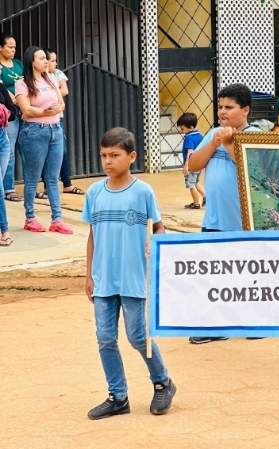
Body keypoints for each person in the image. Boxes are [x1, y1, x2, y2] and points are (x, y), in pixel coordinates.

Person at [83, 127, 176, 420]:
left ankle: (163, 382)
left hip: (134, 277)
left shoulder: (143, 191)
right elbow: (92, 235)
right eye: (103, 156)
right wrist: (88, 274)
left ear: (131, 156)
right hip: (103, 279)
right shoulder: (94, 192)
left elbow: (159, 228)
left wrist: (155, 240)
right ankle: (117, 396)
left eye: (115, 155)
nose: (108, 161)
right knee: (105, 338)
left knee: (137, 336)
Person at [187, 83, 260, 344]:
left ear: (245, 110)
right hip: (215, 218)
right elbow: (193, 165)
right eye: (220, 107)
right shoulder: (214, 133)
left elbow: (254, 171)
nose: (222, 112)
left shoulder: (254, 134)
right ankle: (216, 325)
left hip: (245, 221)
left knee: (250, 271)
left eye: (229, 107)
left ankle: (254, 322)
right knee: (214, 272)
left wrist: (229, 145)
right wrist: (215, 142)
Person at [15, 46, 72, 234]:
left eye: (45, 58)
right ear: (32, 61)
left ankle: (57, 219)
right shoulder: (22, 83)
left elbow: (61, 101)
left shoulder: (51, 79)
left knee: (52, 179)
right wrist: (47, 111)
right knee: (32, 179)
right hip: (34, 132)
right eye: (41, 58)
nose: (45, 61)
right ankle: (30, 218)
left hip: (55, 130)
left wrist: (57, 109)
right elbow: (27, 109)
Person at [39, 48, 84, 198]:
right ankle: (47, 187)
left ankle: (67, 184)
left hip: (57, 118)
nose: (54, 63)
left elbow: (64, 90)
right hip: (42, 119)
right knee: (45, 153)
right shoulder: (38, 76)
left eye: (54, 61)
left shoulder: (57, 74)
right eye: (52, 60)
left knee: (62, 151)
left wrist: (49, 90)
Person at [0, 33, 23, 203]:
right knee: (8, 148)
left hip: (24, 109)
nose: (14, 50)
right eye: (10, 47)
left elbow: (25, 82)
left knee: (24, 148)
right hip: (9, 111)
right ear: (0, 48)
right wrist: (13, 99)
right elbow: (2, 88)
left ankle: (30, 187)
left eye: (15, 47)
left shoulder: (17, 64)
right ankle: (8, 188)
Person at [0, 79, 17, 246]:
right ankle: (5, 230)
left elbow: (12, 113)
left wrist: (2, 112)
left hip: (2, 138)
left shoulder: (0, 85)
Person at [176, 112, 205, 209]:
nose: (181, 131)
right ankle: (206, 197)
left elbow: (190, 152)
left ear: (191, 127)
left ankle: (196, 203)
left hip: (191, 165)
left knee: (191, 184)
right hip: (199, 164)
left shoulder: (188, 138)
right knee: (196, 182)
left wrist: (186, 166)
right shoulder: (199, 135)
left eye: (182, 128)